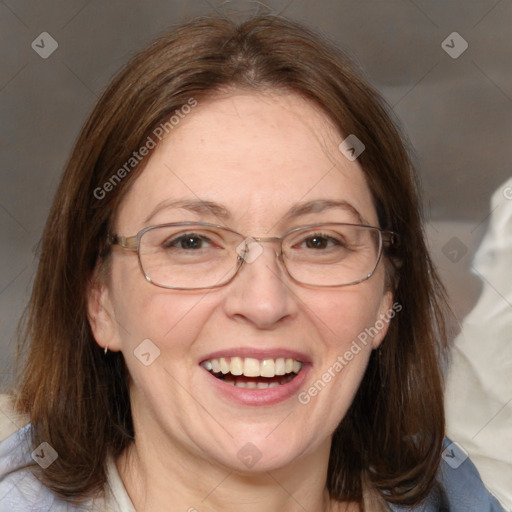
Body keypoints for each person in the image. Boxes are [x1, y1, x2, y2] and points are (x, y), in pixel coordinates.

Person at [0, 14, 505, 512]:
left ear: (385, 299)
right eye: (192, 242)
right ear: (100, 300)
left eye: (319, 241)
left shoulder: (460, 497)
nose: (264, 302)